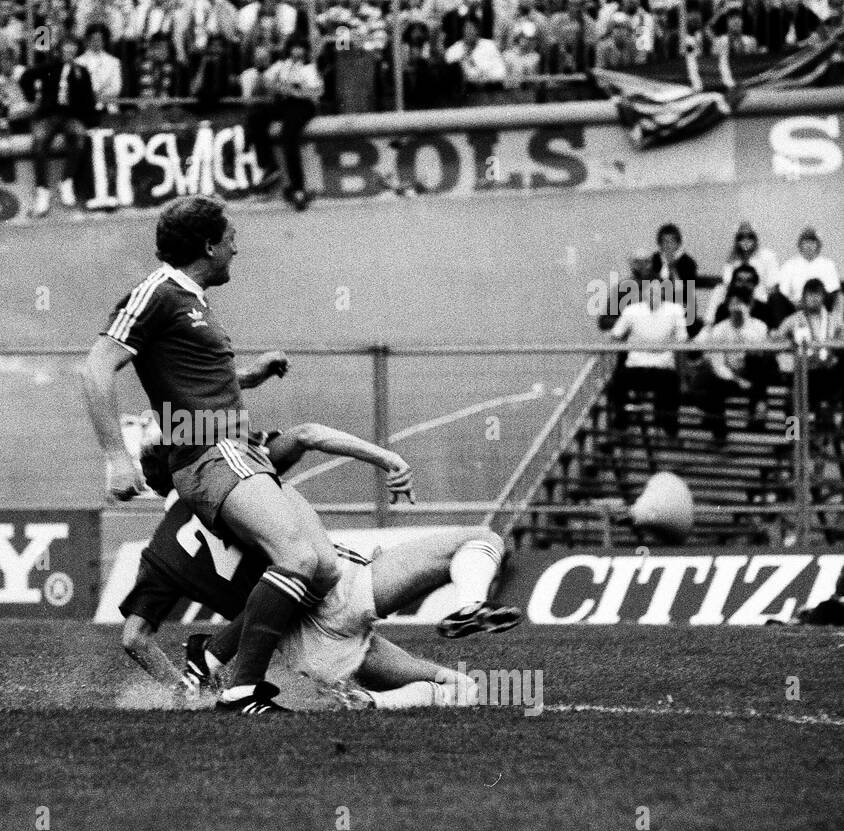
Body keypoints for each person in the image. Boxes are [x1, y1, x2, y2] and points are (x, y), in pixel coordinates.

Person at [82, 196, 341, 715]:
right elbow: (95, 366)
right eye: (230, 238)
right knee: (300, 558)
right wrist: (116, 456)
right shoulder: (158, 292)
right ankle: (242, 686)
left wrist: (252, 374)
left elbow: (195, 377)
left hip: (230, 450)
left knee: (324, 567)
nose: (236, 247)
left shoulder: (194, 300)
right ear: (208, 245)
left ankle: (213, 656)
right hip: (210, 452)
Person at [117, 421, 521, 707]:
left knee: (451, 688)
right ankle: (471, 603)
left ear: (154, 480)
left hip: (305, 647)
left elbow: (134, 639)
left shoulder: (158, 557)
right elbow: (310, 434)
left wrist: (185, 688)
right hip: (340, 591)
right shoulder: (234, 478)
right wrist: (386, 458)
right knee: (480, 541)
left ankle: (371, 703)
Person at [19, 33, 96, 217]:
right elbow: (26, 77)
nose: (69, 50)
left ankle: (67, 180)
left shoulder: (81, 71)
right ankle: (42, 189)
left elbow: (88, 98)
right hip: (49, 114)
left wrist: (87, 120)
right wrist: (32, 98)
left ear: (77, 50)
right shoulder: (49, 67)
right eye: (66, 46)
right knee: (39, 142)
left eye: (73, 46)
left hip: (70, 115)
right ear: (60, 49)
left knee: (79, 136)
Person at [245, 34, 322, 211]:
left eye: (300, 48)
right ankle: (268, 164)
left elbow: (316, 92)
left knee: (289, 136)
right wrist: (275, 84)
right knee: (257, 117)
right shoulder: (282, 65)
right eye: (294, 47)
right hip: (285, 102)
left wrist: (295, 90)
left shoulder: (309, 68)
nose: (297, 51)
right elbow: (266, 80)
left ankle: (298, 188)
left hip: (302, 105)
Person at [607, 276, 689, 439]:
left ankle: (669, 429)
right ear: (643, 292)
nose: (653, 292)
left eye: (657, 289)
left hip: (663, 368)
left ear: (664, 291)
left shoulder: (675, 310)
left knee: (672, 383)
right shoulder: (631, 310)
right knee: (616, 381)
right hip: (635, 366)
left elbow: (682, 339)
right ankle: (621, 423)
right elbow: (615, 336)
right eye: (649, 289)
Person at [691, 294, 774, 445]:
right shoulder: (719, 329)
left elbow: (760, 354)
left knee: (759, 359)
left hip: (754, 375)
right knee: (707, 386)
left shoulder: (759, 327)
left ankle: (790, 436)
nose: (737, 308)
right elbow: (718, 365)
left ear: (749, 307)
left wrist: (745, 322)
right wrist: (737, 379)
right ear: (728, 307)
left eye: (742, 304)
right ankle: (719, 435)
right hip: (729, 377)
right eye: (734, 304)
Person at [772, 278, 844, 430]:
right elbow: (776, 338)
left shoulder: (834, 320)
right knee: (791, 403)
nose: (813, 298)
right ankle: (793, 439)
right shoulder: (794, 320)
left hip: (828, 373)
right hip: (804, 373)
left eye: (817, 294)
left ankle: (827, 432)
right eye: (809, 294)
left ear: (823, 297)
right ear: (803, 297)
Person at [651, 222, 699, 332]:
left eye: (672, 241)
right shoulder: (655, 260)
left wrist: (672, 267)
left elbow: (685, 289)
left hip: (682, 300)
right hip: (659, 300)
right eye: (664, 242)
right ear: (659, 244)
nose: (668, 245)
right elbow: (652, 281)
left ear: (678, 244)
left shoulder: (688, 262)